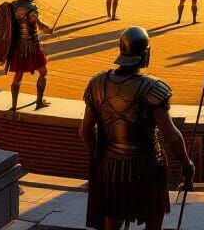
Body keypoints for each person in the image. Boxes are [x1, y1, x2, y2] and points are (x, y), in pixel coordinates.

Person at [80, 26, 195, 230]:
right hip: (147, 166)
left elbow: (85, 131)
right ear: (145, 54)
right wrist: (186, 164)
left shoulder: (97, 84)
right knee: (153, 219)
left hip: (112, 165)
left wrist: (97, 158)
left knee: (113, 219)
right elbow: (171, 135)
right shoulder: (153, 88)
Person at [2, 0, 53, 112]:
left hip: (18, 47)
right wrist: (49, 29)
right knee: (43, 72)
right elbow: (39, 25)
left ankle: (13, 106)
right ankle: (39, 101)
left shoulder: (12, 6)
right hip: (32, 46)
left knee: (18, 76)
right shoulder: (32, 8)